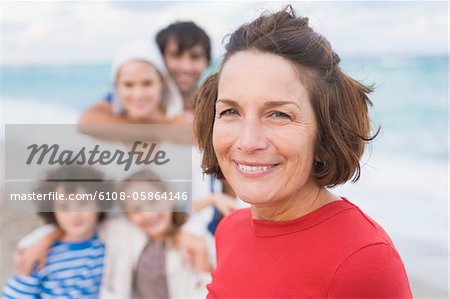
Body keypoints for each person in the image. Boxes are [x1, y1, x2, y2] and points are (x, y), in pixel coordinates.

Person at [194, 6, 413, 298]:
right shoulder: (229, 231)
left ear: (325, 129)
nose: (248, 142)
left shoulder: (362, 259)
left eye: (279, 115)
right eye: (231, 111)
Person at [2, 166, 107, 299]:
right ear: (52, 211)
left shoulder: (108, 243)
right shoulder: (41, 255)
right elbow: (15, 295)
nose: (75, 214)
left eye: (83, 202)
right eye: (64, 207)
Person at [79, 21, 210, 126]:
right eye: (176, 55)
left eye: (195, 57)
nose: (185, 67)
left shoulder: (211, 102)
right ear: (160, 59)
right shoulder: (140, 96)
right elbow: (89, 119)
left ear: (207, 62)